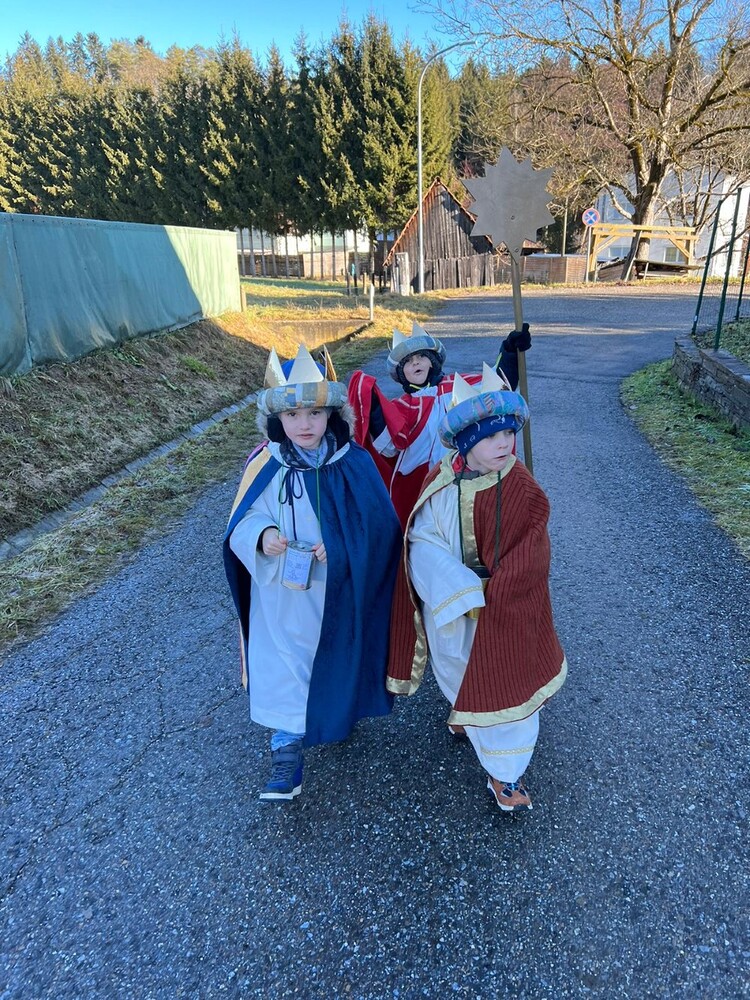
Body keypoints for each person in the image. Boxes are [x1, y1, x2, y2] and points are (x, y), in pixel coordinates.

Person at [223, 345, 402, 801]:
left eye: (315, 413)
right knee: (284, 664)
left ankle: (338, 713)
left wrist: (342, 547)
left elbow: (381, 527)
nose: (305, 424)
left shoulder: (353, 462)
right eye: (293, 414)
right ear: (277, 419)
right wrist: (262, 535)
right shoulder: (265, 465)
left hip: (335, 592)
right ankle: (286, 750)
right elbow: (241, 520)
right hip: (282, 596)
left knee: (336, 655)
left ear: (331, 415)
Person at [386, 364, 567, 812]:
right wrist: (458, 588)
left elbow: (532, 549)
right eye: (490, 437)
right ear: (466, 442)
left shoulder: (520, 486)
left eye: (508, 433)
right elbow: (421, 537)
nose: (504, 444)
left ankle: (505, 772)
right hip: (455, 605)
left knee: (504, 680)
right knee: (456, 666)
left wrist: (499, 594)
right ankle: (464, 711)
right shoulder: (442, 477)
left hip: (505, 607)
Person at [348, 320, 531, 528]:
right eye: (408, 361)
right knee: (432, 528)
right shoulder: (401, 407)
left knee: (474, 523)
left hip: (469, 472)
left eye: (421, 356)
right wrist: (372, 403)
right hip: (422, 483)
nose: (415, 363)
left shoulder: (460, 385)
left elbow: (496, 389)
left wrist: (510, 352)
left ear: (433, 361)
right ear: (401, 373)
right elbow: (389, 447)